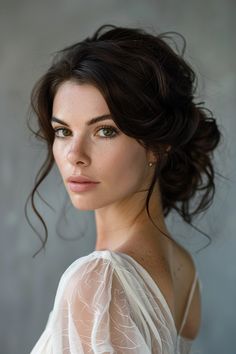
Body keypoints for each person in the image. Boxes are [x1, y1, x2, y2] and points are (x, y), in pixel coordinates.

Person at [27, 24, 222, 353]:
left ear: (158, 144)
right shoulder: (183, 268)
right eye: (63, 131)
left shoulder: (99, 279)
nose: (75, 155)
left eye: (104, 131)